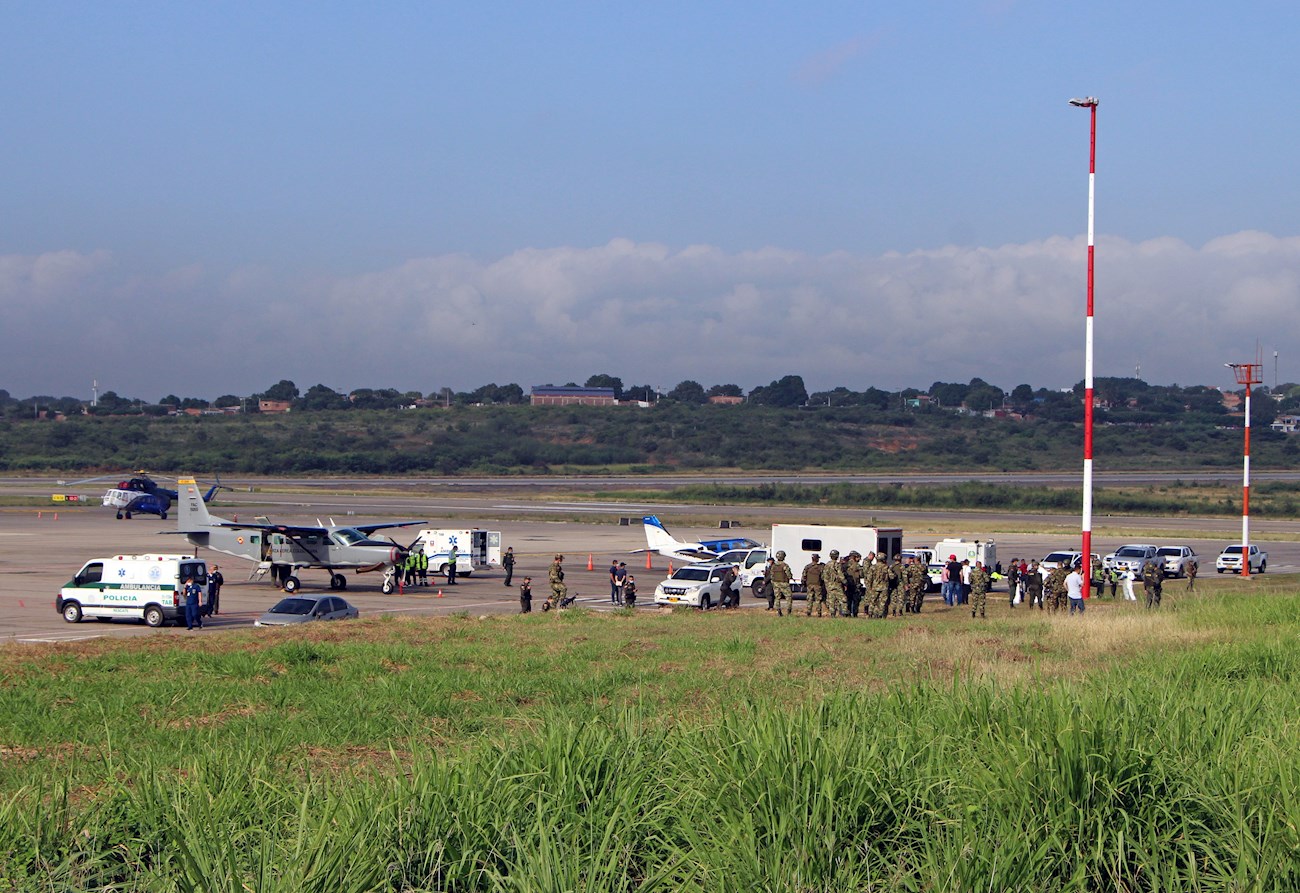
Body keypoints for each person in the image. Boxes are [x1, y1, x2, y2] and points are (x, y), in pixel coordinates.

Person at [822, 549, 846, 617]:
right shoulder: (837, 565)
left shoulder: (827, 565)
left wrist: (827, 585)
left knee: (831, 600)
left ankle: (832, 613)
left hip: (829, 586)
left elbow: (824, 576)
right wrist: (845, 582)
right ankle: (844, 613)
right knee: (843, 599)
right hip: (837, 585)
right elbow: (840, 575)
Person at [770, 550, 794, 617]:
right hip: (784, 583)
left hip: (776, 583)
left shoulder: (773, 566)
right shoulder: (784, 565)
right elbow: (789, 575)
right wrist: (791, 577)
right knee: (789, 597)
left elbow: (771, 575)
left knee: (777, 598)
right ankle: (788, 612)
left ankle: (778, 611)